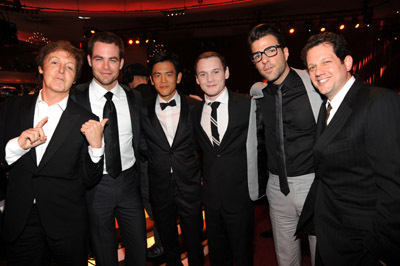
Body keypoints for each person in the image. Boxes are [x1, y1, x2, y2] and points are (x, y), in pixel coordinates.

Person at [297, 32, 400, 266]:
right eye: (311, 67)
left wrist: (382, 249)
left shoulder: (378, 101)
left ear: (348, 63)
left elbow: (394, 189)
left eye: (326, 62)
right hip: (331, 233)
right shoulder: (328, 106)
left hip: (362, 244)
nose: (318, 71)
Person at [0, 40, 105, 265]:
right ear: (41, 67)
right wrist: (17, 146)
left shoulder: (88, 120)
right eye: (54, 62)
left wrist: (97, 148)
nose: (61, 71)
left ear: (75, 77)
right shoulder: (11, 108)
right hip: (20, 219)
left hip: (67, 223)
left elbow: (89, 180)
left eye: (69, 67)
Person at [248, 24, 321, 266]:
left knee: (321, 254)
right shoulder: (258, 95)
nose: (265, 60)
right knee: (285, 260)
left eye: (270, 50)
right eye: (258, 55)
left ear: (285, 52)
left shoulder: (313, 84)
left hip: (313, 185)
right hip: (276, 190)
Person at [71, 32, 146, 266]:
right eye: (99, 59)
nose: (106, 66)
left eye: (112, 60)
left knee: (139, 250)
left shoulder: (135, 97)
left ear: (121, 63)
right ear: (90, 60)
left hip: (129, 183)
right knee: (104, 254)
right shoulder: (74, 97)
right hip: (93, 187)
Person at [193, 51, 258, 266]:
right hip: (211, 202)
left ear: (226, 73)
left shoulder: (249, 106)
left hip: (241, 198)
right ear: (196, 79)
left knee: (243, 257)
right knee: (218, 258)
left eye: (215, 72)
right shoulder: (194, 112)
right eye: (203, 74)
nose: (209, 79)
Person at [140, 51, 204, 266]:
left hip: (190, 185)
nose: (163, 80)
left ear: (178, 77)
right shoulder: (142, 109)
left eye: (169, 74)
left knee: (194, 240)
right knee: (168, 243)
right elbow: (140, 143)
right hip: (158, 187)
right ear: (151, 79)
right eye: (157, 75)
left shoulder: (196, 107)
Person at [122, 62, 163, 258]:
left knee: (150, 204)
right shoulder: (156, 93)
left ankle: (160, 243)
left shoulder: (133, 98)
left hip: (143, 162)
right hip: (158, 160)